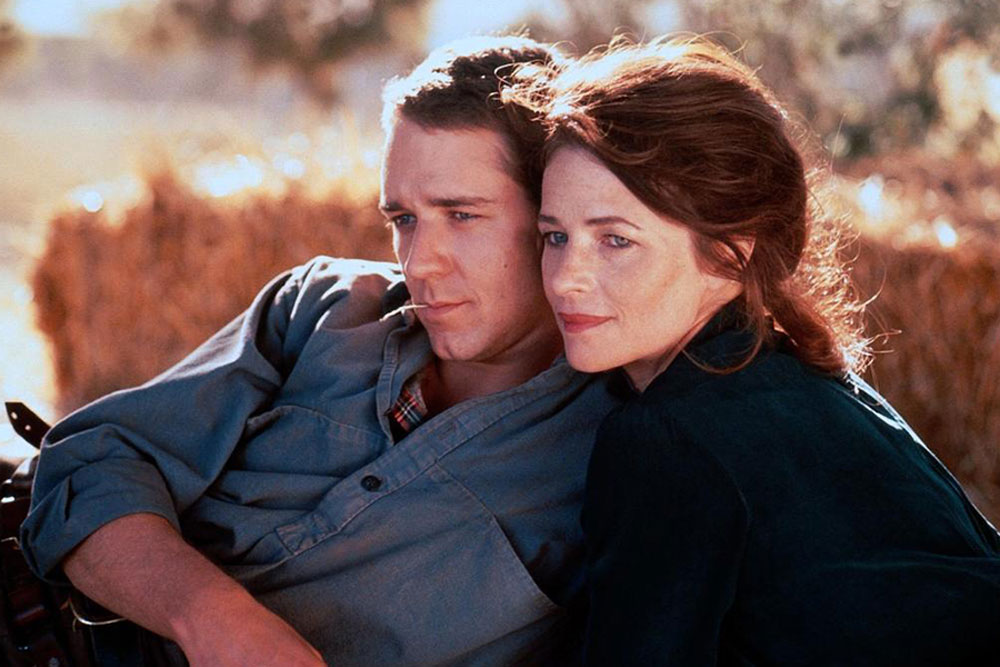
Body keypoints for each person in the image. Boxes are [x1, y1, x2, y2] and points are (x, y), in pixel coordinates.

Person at [20, 35, 622, 666]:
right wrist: (211, 617)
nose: (420, 263)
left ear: (556, 214)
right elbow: (87, 467)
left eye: (462, 215)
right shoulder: (323, 307)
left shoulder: (608, 451)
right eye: (403, 219)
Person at [509, 36, 1000, 666]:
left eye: (615, 241)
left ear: (731, 250)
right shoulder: (822, 386)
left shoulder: (667, 438)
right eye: (555, 236)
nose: (565, 279)